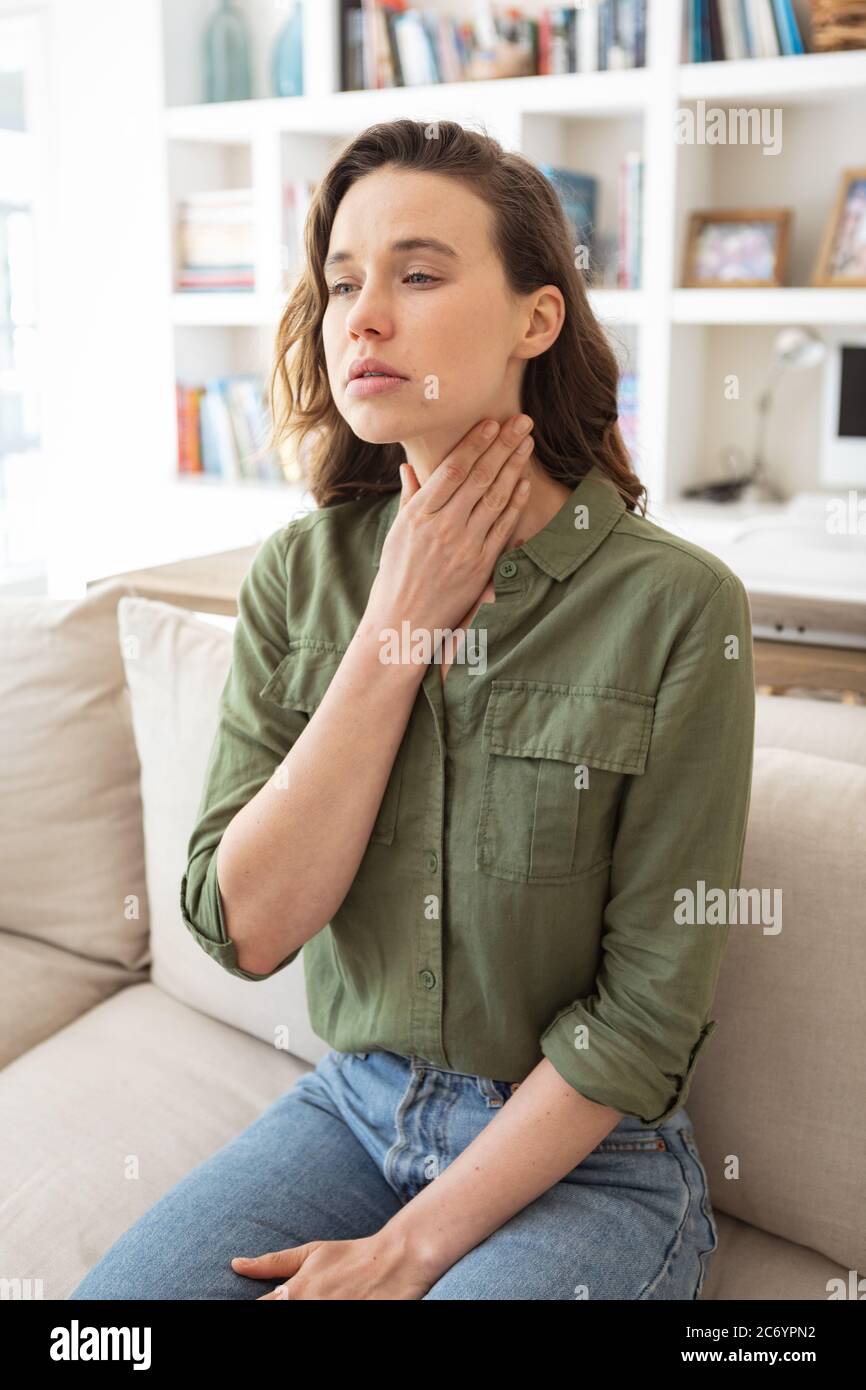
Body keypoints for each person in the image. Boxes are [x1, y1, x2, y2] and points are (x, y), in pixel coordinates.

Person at [69, 119, 754, 1301]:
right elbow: (248, 926)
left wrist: (411, 1248)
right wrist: (397, 622)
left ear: (536, 320)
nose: (361, 318)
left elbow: (645, 1019)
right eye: (341, 283)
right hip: (354, 1107)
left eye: (418, 274)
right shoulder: (302, 572)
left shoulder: (678, 607)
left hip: (592, 1161)